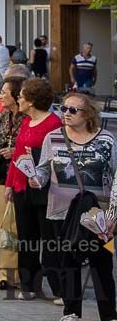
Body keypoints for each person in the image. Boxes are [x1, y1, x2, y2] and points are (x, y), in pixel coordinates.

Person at [30, 94, 117, 320]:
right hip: (61, 211)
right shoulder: (53, 137)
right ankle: (71, 312)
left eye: (72, 110)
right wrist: (36, 178)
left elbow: (116, 176)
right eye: (63, 108)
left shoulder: (106, 139)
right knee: (68, 264)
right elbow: (43, 169)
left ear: (87, 114)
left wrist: (114, 215)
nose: (66, 113)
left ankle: (108, 315)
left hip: (98, 214)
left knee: (102, 266)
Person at [4, 77, 62, 299]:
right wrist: (10, 183)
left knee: (49, 240)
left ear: (32, 100)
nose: (19, 97)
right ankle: (29, 285)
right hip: (22, 187)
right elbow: (17, 155)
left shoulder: (54, 124)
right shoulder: (26, 121)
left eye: (22, 95)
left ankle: (59, 289)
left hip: (45, 189)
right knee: (26, 238)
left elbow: (56, 160)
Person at [0, 75, 24, 288]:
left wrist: (15, 151)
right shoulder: (2, 117)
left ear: (17, 96)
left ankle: (14, 275)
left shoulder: (27, 119)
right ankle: (5, 274)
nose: (0, 95)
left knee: (15, 227)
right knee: (3, 227)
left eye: (4, 92)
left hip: (18, 180)